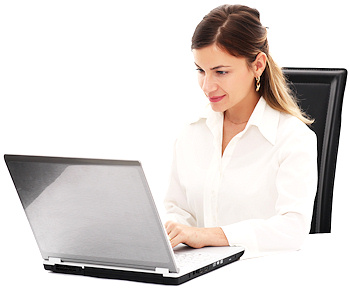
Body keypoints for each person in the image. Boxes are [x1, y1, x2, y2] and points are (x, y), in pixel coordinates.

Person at [164, 4, 317, 256]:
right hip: (197, 273)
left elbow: (293, 228)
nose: (207, 86)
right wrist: (177, 231)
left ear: (257, 65)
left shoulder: (292, 138)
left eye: (221, 72)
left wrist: (207, 236)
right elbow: (177, 208)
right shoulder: (192, 132)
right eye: (200, 71)